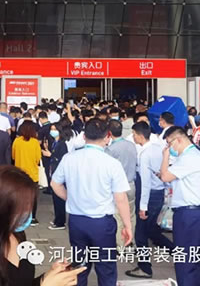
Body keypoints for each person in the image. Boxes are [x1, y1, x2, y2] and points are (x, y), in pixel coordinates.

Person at [0, 165, 85, 286]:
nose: (28, 212)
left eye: (29, 205)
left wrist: (49, 275)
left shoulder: (18, 235)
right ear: (1, 207)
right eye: (22, 207)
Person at [50, 119, 133, 286]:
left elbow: (54, 184)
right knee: (106, 267)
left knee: (79, 266)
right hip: (102, 223)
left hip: (77, 221)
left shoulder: (69, 158)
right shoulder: (112, 163)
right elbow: (121, 198)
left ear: (84, 136)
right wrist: (127, 226)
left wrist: (71, 198)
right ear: (107, 137)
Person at [159, 126, 200, 286]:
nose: (169, 148)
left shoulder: (189, 158)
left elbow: (165, 176)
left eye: (169, 143)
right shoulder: (191, 155)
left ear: (179, 140)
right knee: (194, 258)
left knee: (185, 260)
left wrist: (165, 157)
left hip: (189, 214)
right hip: (194, 213)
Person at [125, 121, 172, 279]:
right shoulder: (158, 148)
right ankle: (179, 253)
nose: (133, 137)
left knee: (141, 234)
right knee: (152, 231)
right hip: (158, 193)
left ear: (139, 135)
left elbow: (145, 183)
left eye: (134, 134)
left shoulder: (145, 155)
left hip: (149, 196)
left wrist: (143, 207)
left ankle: (145, 268)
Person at [104, 119, 137, 250]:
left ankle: (120, 244)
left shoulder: (110, 149)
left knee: (118, 216)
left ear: (109, 133)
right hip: (131, 184)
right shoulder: (131, 145)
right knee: (131, 214)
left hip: (117, 187)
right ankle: (131, 242)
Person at [11, 121, 42, 226]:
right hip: (33, 174)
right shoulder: (35, 142)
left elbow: (13, 156)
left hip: (19, 173)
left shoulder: (17, 141)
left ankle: (19, 216)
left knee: (19, 196)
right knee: (33, 197)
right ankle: (32, 217)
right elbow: (38, 159)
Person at [46, 123, 72, 230]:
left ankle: (60, 222)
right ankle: (57, 219)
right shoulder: (55, 143)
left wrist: (51, 155)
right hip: (53, 171)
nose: (52, 131)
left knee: (59, 199)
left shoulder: (62, 144)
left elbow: (62, 158)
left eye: (54, 129)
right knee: (55, 199)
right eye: (51, 129)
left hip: (59, 174)